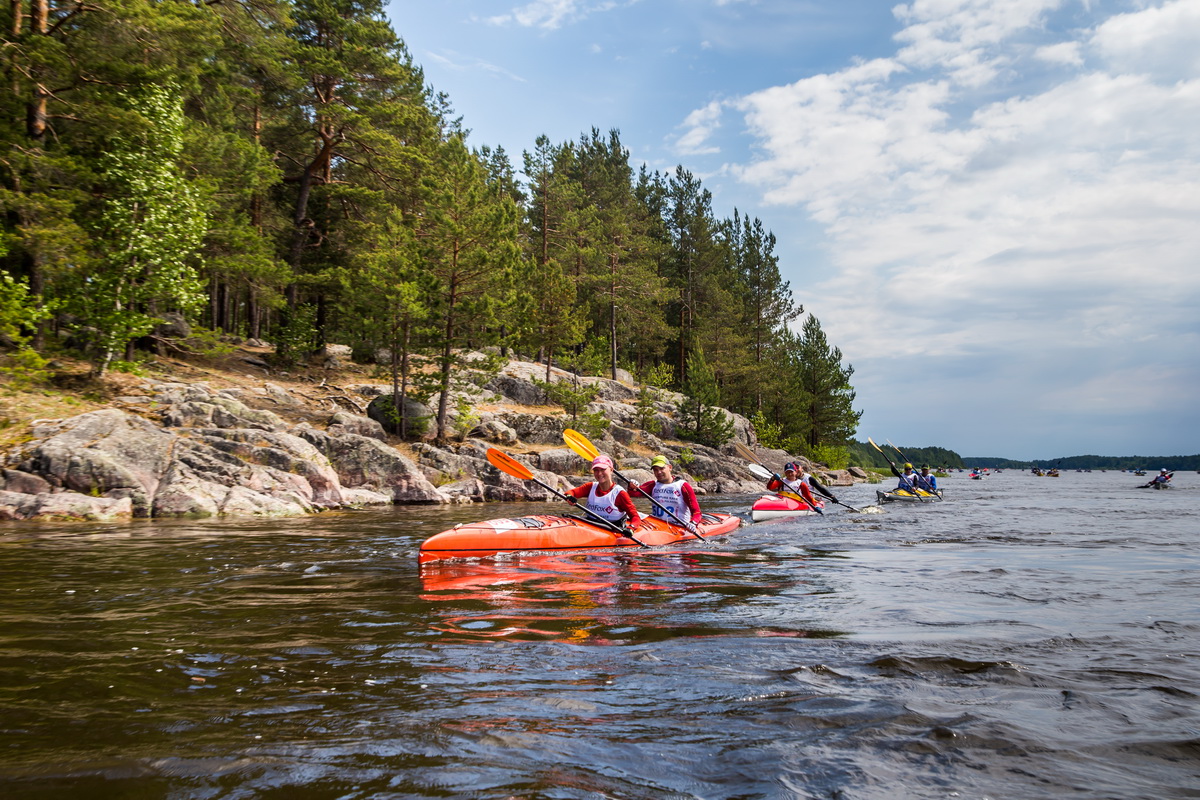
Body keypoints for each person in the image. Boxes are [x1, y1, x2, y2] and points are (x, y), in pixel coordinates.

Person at [564, 455, 642, 530]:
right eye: (596, 470)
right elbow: (570, 492)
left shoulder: (620, 494)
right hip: (590, 524)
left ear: (611, 470)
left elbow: (635, 517)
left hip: (612, 528)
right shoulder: (590, 487)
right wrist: (569, 497)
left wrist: (631, 528)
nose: (599, 473)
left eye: (602, 469)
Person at [636, 455, 701, 532]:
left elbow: (697, 512)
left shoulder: (683, 486)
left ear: (670, 467)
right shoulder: (652, 485)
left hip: (678, 526)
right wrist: (632, 485)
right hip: (658, 525)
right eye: (655, 470)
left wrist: (693, 523)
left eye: (661, 468)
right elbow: (633, 493)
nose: (659, 472)